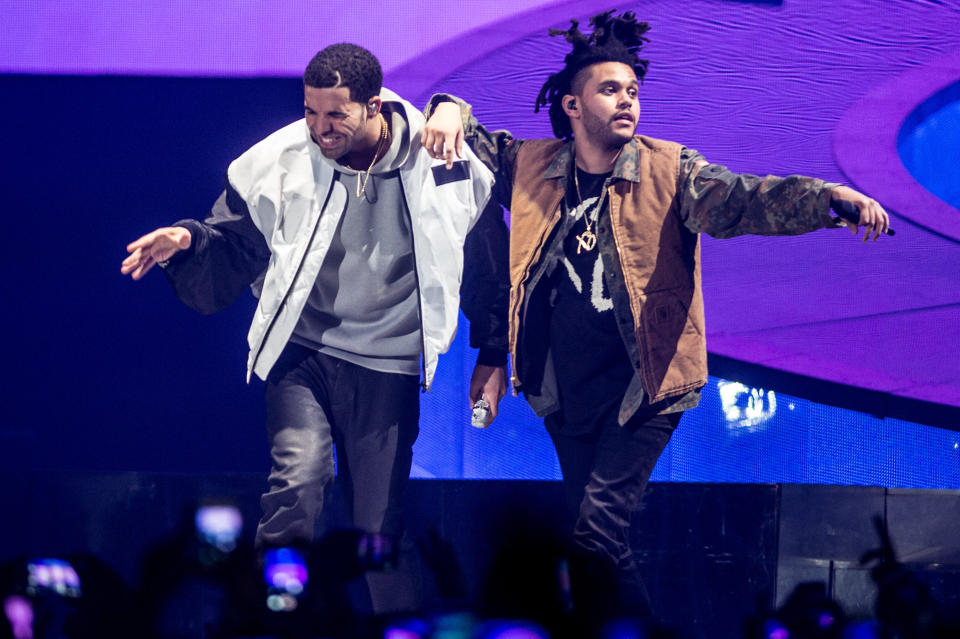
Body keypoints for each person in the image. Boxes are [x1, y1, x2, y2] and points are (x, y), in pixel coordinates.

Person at [422, 9, 889, 627]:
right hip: (563, 388)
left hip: (645, 386)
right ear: (571, 105)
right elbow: (464, 135)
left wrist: (826, 198)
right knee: (599, 548)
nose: (626, 102)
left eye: (633, 92)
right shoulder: (531, 166)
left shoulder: (671, 171)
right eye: (610, 90)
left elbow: (746, 198)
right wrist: (446, 102)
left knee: (594, 537)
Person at [121, 43, 507, 614]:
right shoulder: (282, 158)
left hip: (388, 364)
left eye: (335, 116)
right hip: (303, 354)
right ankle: (262, 623)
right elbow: (233, 240)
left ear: (374, 106)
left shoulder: (441, 161)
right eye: (310, 112)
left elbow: (482, 259)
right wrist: (186, 240)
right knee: (295, 487)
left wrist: (493, 353)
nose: (319, 129)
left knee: (379, 530)